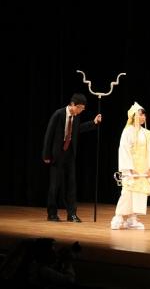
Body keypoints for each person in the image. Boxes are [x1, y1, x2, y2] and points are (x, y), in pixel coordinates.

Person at [43, 93, 102, 223]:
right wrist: (46, 154)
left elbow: (77, 129)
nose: (80, 111)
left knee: (71, 185)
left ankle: (72, 214)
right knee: (55, 185)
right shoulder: (58, 114)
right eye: (79, 108)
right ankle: (52, 213)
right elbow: (49, 134)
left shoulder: (76, 117)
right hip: (57, 154)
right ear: (73, 104)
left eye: (82, 109)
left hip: (69, 154)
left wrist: (93, 122)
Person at [110, 102, 150, 230]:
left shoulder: (146, 133)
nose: (143, 117)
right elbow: (124, 150)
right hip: (131, 169)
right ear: (133, 116)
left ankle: (132, 219)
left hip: (143, 169)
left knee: (140, 194)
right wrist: (130, 169)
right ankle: (118, 217)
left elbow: (149, 151)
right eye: (140, 115)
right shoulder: (127, 131)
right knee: (127, 193)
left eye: (144, 115)